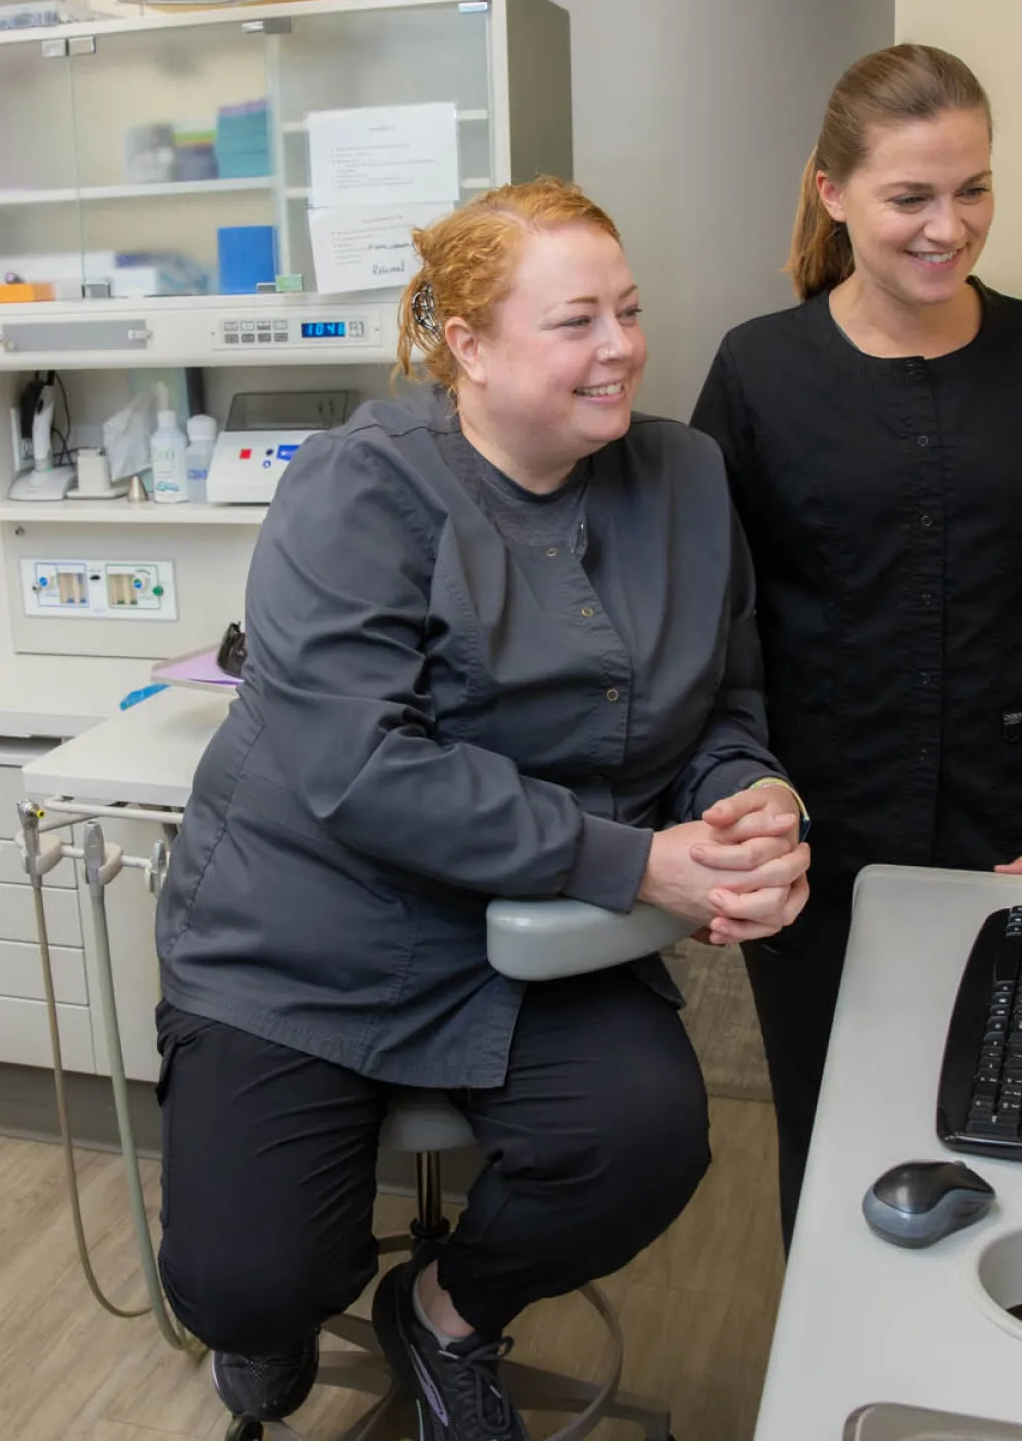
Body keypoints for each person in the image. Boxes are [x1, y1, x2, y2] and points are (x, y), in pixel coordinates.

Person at [153, 176, 810, 1440]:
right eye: (575, 322)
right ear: (467, 345)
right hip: (309, 930)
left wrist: (749, 799)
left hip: (534, 936)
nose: (620, 345)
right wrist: (633, 863)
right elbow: (364, 770)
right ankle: (268, 1314)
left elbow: (722, 701)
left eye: (627, 309)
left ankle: (449, 1311)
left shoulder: (683, 479)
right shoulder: (357, 489)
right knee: (245, 1279)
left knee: (647, 1142)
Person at [691, 43, 1022, 1245]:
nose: (948, 227)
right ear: (831, 191)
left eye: (974, 189)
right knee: (833, 1120)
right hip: (816, 827)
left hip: (1014, 826)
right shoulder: (759, 370)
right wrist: (737, 791)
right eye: (911, 196)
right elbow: (709, 612)